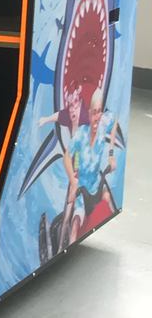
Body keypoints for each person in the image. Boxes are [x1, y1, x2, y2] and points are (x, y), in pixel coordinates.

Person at [59, 86, 120, 246]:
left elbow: (115, 120)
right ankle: (62, 242)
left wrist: (111, 154)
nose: (97, 117)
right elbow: (67, 157)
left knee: (109, 200)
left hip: (97, 184)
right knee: (73, 224)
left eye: (99, 112)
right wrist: (73, 181)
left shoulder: (103, 124)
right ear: (89, 112)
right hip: (81, 186)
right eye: (94, 112)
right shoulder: (80, 133)